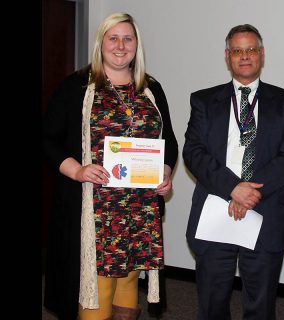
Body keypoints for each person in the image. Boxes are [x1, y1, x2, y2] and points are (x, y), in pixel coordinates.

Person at [42, 12, 178, 320]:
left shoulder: (151, 88)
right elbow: (48, 140)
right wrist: (77, 170)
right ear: (101, 43)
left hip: (140, 207)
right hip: (94, 207)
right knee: (99, 283)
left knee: (129, 276)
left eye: (127, 38)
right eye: (112, 38)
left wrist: (166, 171)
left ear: (136, 45)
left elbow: (168, 139)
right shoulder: (76, 87)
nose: (120, 45)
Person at [183, 24, 284, 320]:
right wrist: (233, 188)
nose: (244, 56)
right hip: (216, 211)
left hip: (266, 211)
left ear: (261, 55)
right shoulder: (203, 100)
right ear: (228, 56)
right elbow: (193, 152)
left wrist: (249, 191)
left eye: (251, 49)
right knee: (211, 303)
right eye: (237, 50)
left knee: (260, 306)